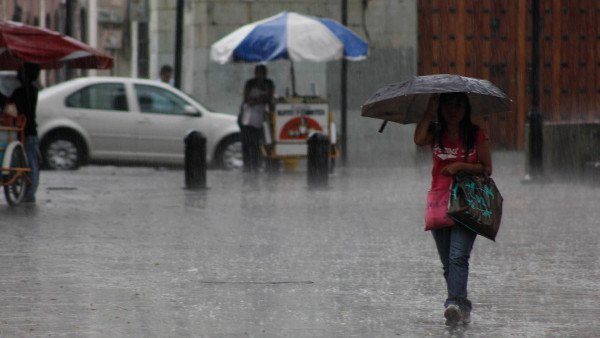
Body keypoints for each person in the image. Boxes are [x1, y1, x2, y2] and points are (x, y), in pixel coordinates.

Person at [413, 92, 492, 326]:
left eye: (458, 105)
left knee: (458, 256)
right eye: (448, 105)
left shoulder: (475, 134)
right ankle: (462, 305)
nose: (453, 110)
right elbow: (418, 139)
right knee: (449, 262)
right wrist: (429, 108)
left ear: (465, 108)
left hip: (467, 203)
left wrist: (460, 166)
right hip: (439, 202)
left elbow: (487, 168)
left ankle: (453, 303)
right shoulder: (435, 132)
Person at [10, 63, 41, 203]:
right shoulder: (33, 90)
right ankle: (29, 191)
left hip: (26, 131)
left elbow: (10, 103)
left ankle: (29, 192)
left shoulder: (22, 92)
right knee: (31, 161)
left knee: (29, 162)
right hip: (29, 131)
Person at [239, 65, 274, 172]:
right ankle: (247, 165)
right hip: (247, 116)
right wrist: (256, 99)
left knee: (257, 142)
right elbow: (246, 98)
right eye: (257, 73)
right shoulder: (250, 83)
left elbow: (269, 98)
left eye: (261, 73)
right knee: (246, 142)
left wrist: (257, 100)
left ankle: (256, 164)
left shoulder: (268, 83)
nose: (259, 75)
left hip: (260, 117)